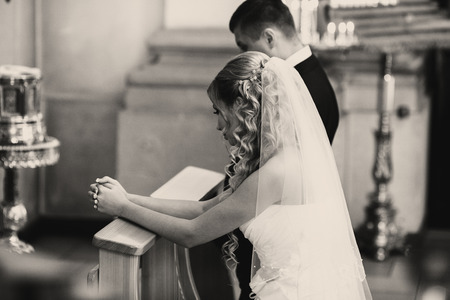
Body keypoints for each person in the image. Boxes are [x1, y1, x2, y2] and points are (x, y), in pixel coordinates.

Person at [88, 51, 372, 299]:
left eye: (218, 111)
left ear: (242, 107)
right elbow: (204, 208)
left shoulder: (276, 172)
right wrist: (128, 198)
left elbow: (192, 233)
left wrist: (123, 208)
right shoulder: (283, 156)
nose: (218, 124)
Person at [224, 1, 340, 298]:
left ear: (269, 38)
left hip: (278, 252)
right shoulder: (307, 76)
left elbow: (276, 168)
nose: (244, 56)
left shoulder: (299, 88)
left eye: (245, 46)